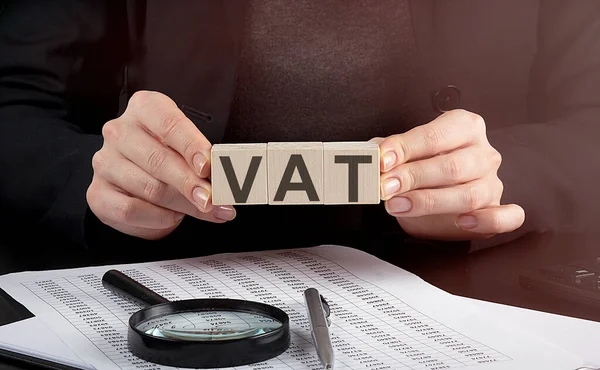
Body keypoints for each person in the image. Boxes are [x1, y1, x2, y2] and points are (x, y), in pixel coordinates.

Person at [0, 1, 598, 266]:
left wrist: (495, 178)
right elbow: (13, 102)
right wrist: (94, 175)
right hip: (166, 286)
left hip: (471, 292)